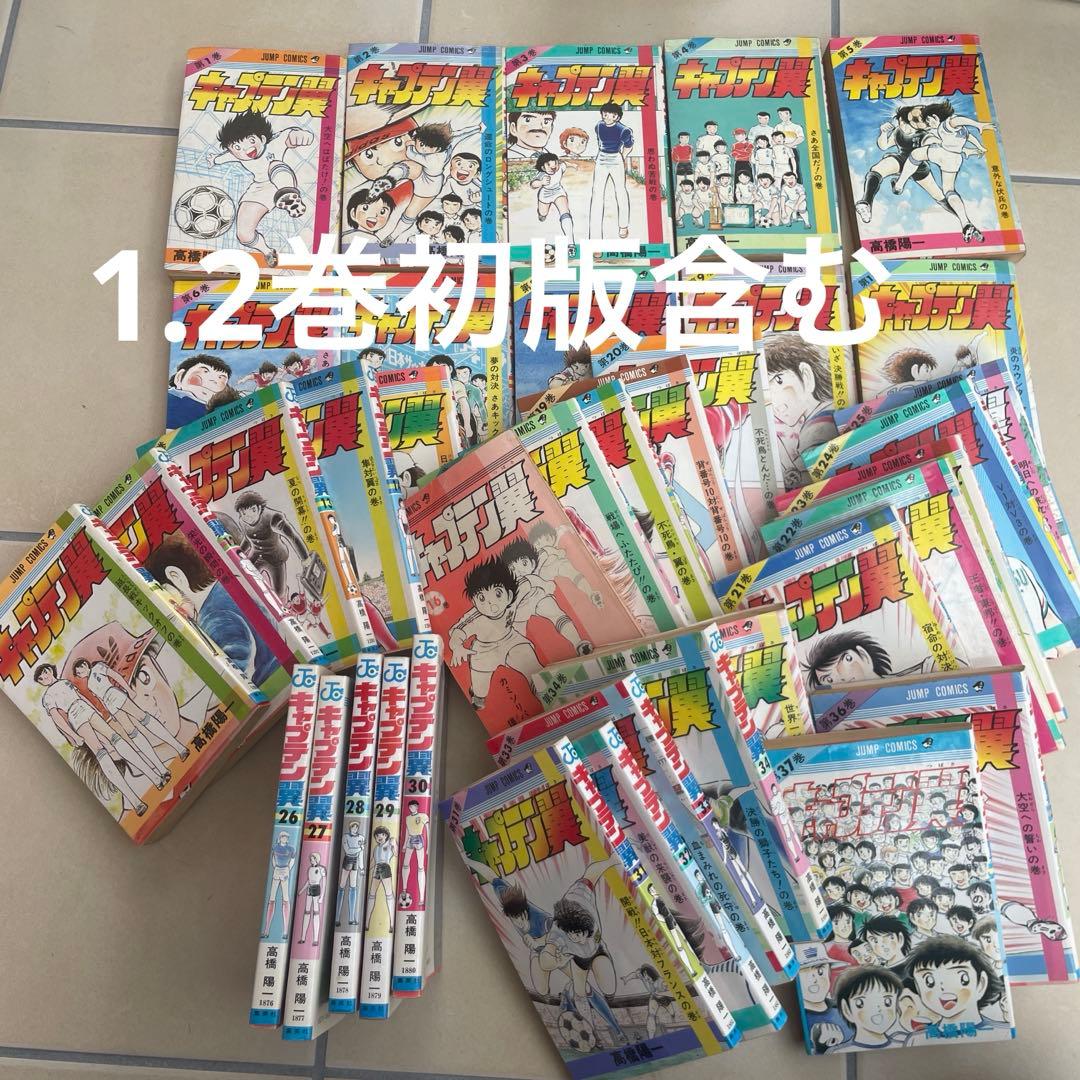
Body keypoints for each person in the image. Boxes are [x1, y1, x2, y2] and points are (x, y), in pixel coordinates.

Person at [34, 663, 149, 816]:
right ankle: (135, 801)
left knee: (114, 738)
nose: (45, 678)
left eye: (45, 673)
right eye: (41, 679)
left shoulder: (66, 683)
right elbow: (57, 718)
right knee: (100, 752)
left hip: (87, 710)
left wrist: (96, 711)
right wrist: (72, 735)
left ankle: (151, 773)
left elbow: (81, 698)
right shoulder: (48, 697)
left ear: (50, 670)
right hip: (76, 716)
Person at [204, 112, 313, 266]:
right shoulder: (234, 155)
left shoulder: (276, 142)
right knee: (243, 234)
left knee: (274, 165)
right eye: (237, 147)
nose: (246, 149)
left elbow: (292, 134)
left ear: (262, 138)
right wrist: (213, 160)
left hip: (281, 177)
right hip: (260, 188)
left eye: (251, 140)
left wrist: (301, 136)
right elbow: (222, 157)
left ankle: (289, 195)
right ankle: (267, 251)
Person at [168, 354, 233, 427]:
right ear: (179, 377)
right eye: (205, 371)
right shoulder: (170, 399)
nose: (214, 380)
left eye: (221, 378)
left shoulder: (219, 409)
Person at [532, 152, 579, 244]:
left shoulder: (560, 167)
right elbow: (533, 184)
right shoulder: (542, 174)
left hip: (558, 191)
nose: (553, 167)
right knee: (543, 214)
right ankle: (541, 214)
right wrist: (541, 183)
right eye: (548, 164)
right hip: (545, 195)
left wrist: (573, 165)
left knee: (565, 213)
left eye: (555, 163)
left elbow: (565, 164)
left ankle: (571, 243)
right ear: (543, 167)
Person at [264, 830, 296, 937]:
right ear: (280, 838)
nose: (285, 838)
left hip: (285, 870)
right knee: (271, 898)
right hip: (277, 871)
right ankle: (266, 930)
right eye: (283, 837)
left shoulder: (291, 849)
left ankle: (286, 931)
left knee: (286, 898)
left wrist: (287, 870)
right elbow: (273, 859)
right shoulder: (275, 847)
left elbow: (292, 861)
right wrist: (275, 868)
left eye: (286, 837)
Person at [335, 821, 365, 927]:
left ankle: (351, 918)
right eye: (353, 827)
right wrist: (359, 848)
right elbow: (348, 850)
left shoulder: (361, 837)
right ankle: (337, 918)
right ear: (350, 828)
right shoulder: (345, 837)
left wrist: (362, 867)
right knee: (342, 886)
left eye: (356, 827)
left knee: (353, 887)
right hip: (347, 860)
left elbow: (361, 854)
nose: (355, 829)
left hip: (356, 861)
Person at [298, 852, 327, 943]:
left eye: (312, 859)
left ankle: (315, 939)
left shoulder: (321, 869)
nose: (311, 861)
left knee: (316, 912)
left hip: (316, 889)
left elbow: (324, 883)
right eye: (310, 859)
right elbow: (308, 881)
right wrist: (301, 890)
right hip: (309, 890)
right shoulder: (310, 869)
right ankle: (303, 937)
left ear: (316, 859)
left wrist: (322, 896)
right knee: (306, 912)